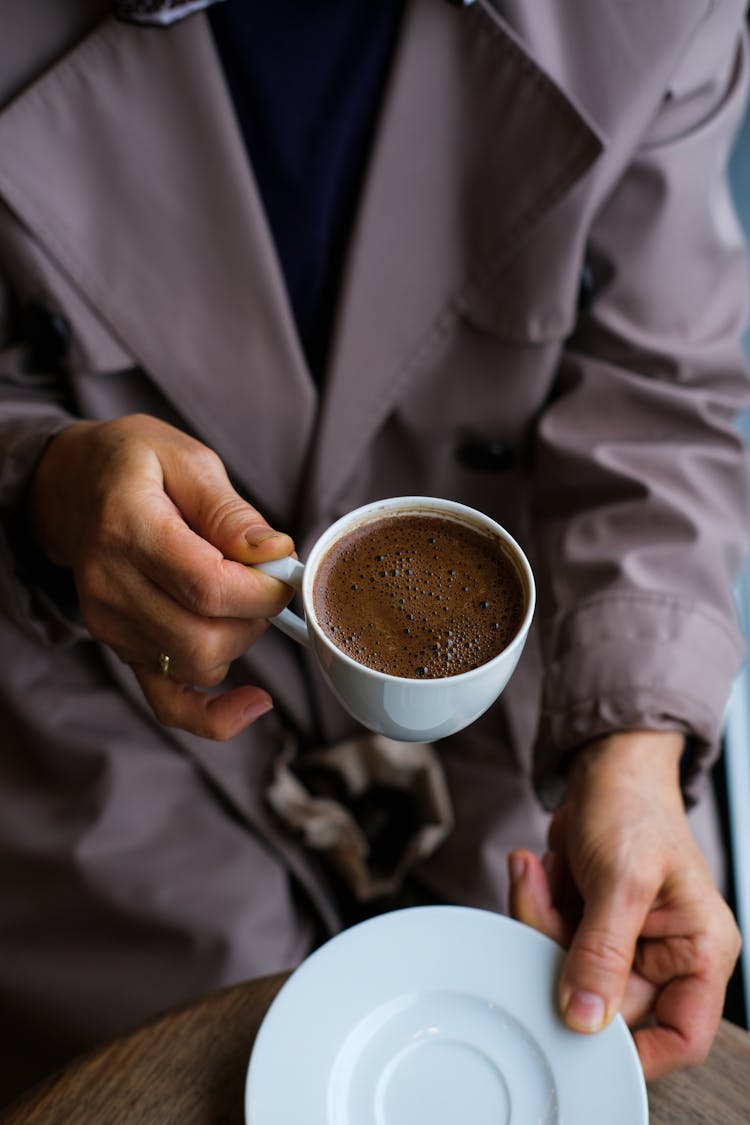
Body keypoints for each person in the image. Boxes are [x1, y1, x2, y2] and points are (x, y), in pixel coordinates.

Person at [0, 0, 748, 1102]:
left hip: (542, 661)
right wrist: (43, 488)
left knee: (560, 1026)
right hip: (96, 657)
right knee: (196, 1061)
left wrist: (631, 748)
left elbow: (658, 394)